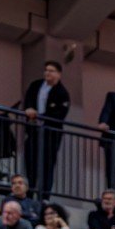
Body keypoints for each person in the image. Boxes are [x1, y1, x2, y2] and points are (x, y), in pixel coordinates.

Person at [21, 60, 71, 193]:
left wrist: (39, 115)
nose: (47, 73)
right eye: (46, 70)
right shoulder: (36, 85)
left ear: (59, 74)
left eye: (51, 71)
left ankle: (44, 196)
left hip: (50, 134)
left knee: (47, 165)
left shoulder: (62, 93)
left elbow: (60, 114)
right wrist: (29, 109)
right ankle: (30, 191)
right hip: (34, 131)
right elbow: (28, 101)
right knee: (30, 162)